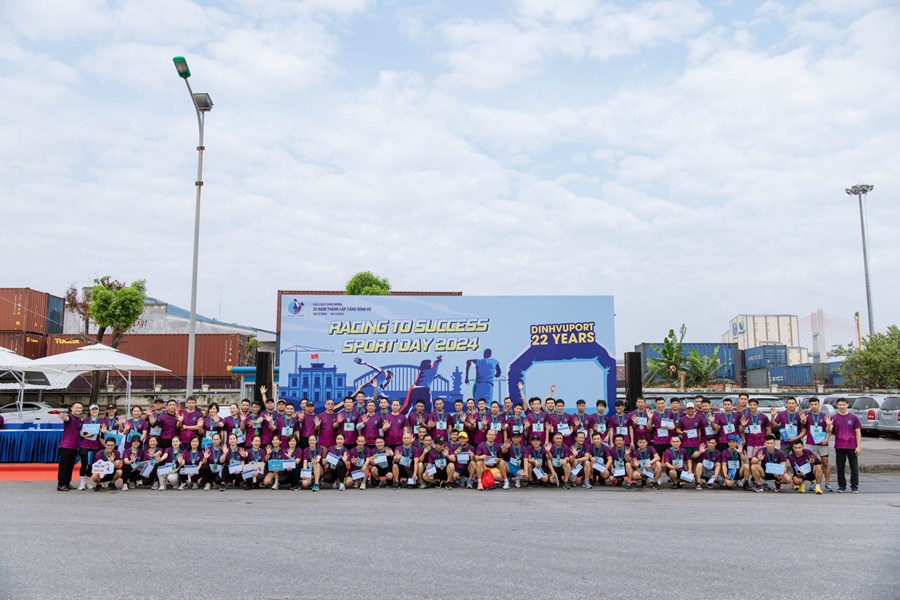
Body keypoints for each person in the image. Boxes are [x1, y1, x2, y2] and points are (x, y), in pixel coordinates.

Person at [827, 398, 862, 493]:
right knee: (840, 467)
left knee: (854, 467)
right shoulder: (834, 418)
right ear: (837, 406)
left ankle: (854, 486)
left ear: (847, 405)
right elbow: (829, 431)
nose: (842, 406)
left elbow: (858, 432)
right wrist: (829, 425)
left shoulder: (853, 418)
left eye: (843, 404)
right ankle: (841, 486)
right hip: (839, 446)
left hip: (852, 446)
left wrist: (858, 446)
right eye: (840, 405)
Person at [802, 397, 833, 491]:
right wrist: (803, 420)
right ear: (809, 405)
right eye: (811, 405)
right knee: (811, 462)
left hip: (822, 443)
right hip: (811, 443)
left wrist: (827, 438)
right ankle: (812, 482)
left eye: (815, 404)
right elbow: (803, 424)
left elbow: (829, 430)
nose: (814, 406)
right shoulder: (806, 415)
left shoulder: (824, 416)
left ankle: (827, 483)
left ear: (819, 405)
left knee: (825, 462)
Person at [55, 401, 84, 492]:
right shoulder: (70, 417)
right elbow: (66, 418)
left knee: (70, 466)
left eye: (80, 408)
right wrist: (63, 416)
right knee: (64, 466)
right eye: (76, 407)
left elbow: (80, 433)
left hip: (74, 447)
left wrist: (87, 435)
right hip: (65, 446)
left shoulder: (79, 420)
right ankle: (61, 484)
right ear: (72, 409)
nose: (78, 409)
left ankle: (67, 483)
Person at [77, 403, 106, 490]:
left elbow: (102, 435)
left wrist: (104, 432)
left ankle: (87, 481)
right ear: (90, 411)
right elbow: (80, 432)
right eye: (92, 409)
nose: (94, 411)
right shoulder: (84, 420)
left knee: (92, 465)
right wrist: (84, 435)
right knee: (84, 463)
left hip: (95, 446)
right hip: (84, 445)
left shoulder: (101, 421)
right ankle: (82, 482)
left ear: (98, 411)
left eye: (96, 409)